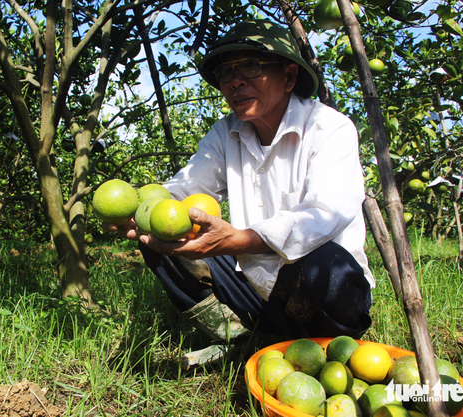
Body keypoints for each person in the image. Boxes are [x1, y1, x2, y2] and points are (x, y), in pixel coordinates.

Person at [104, 19, 375, 363]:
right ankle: (239, 339)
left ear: (289, 77)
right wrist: (137, 213)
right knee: (163, 237)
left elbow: (325, 214)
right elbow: (183, 191)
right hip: (255, 288)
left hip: (325, 296)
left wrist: (239, 241)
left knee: (327, 263)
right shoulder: (225, 133)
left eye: (251, 66)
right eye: (226, 72)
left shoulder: (329, 128)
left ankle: (330, 351)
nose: (236, 81)